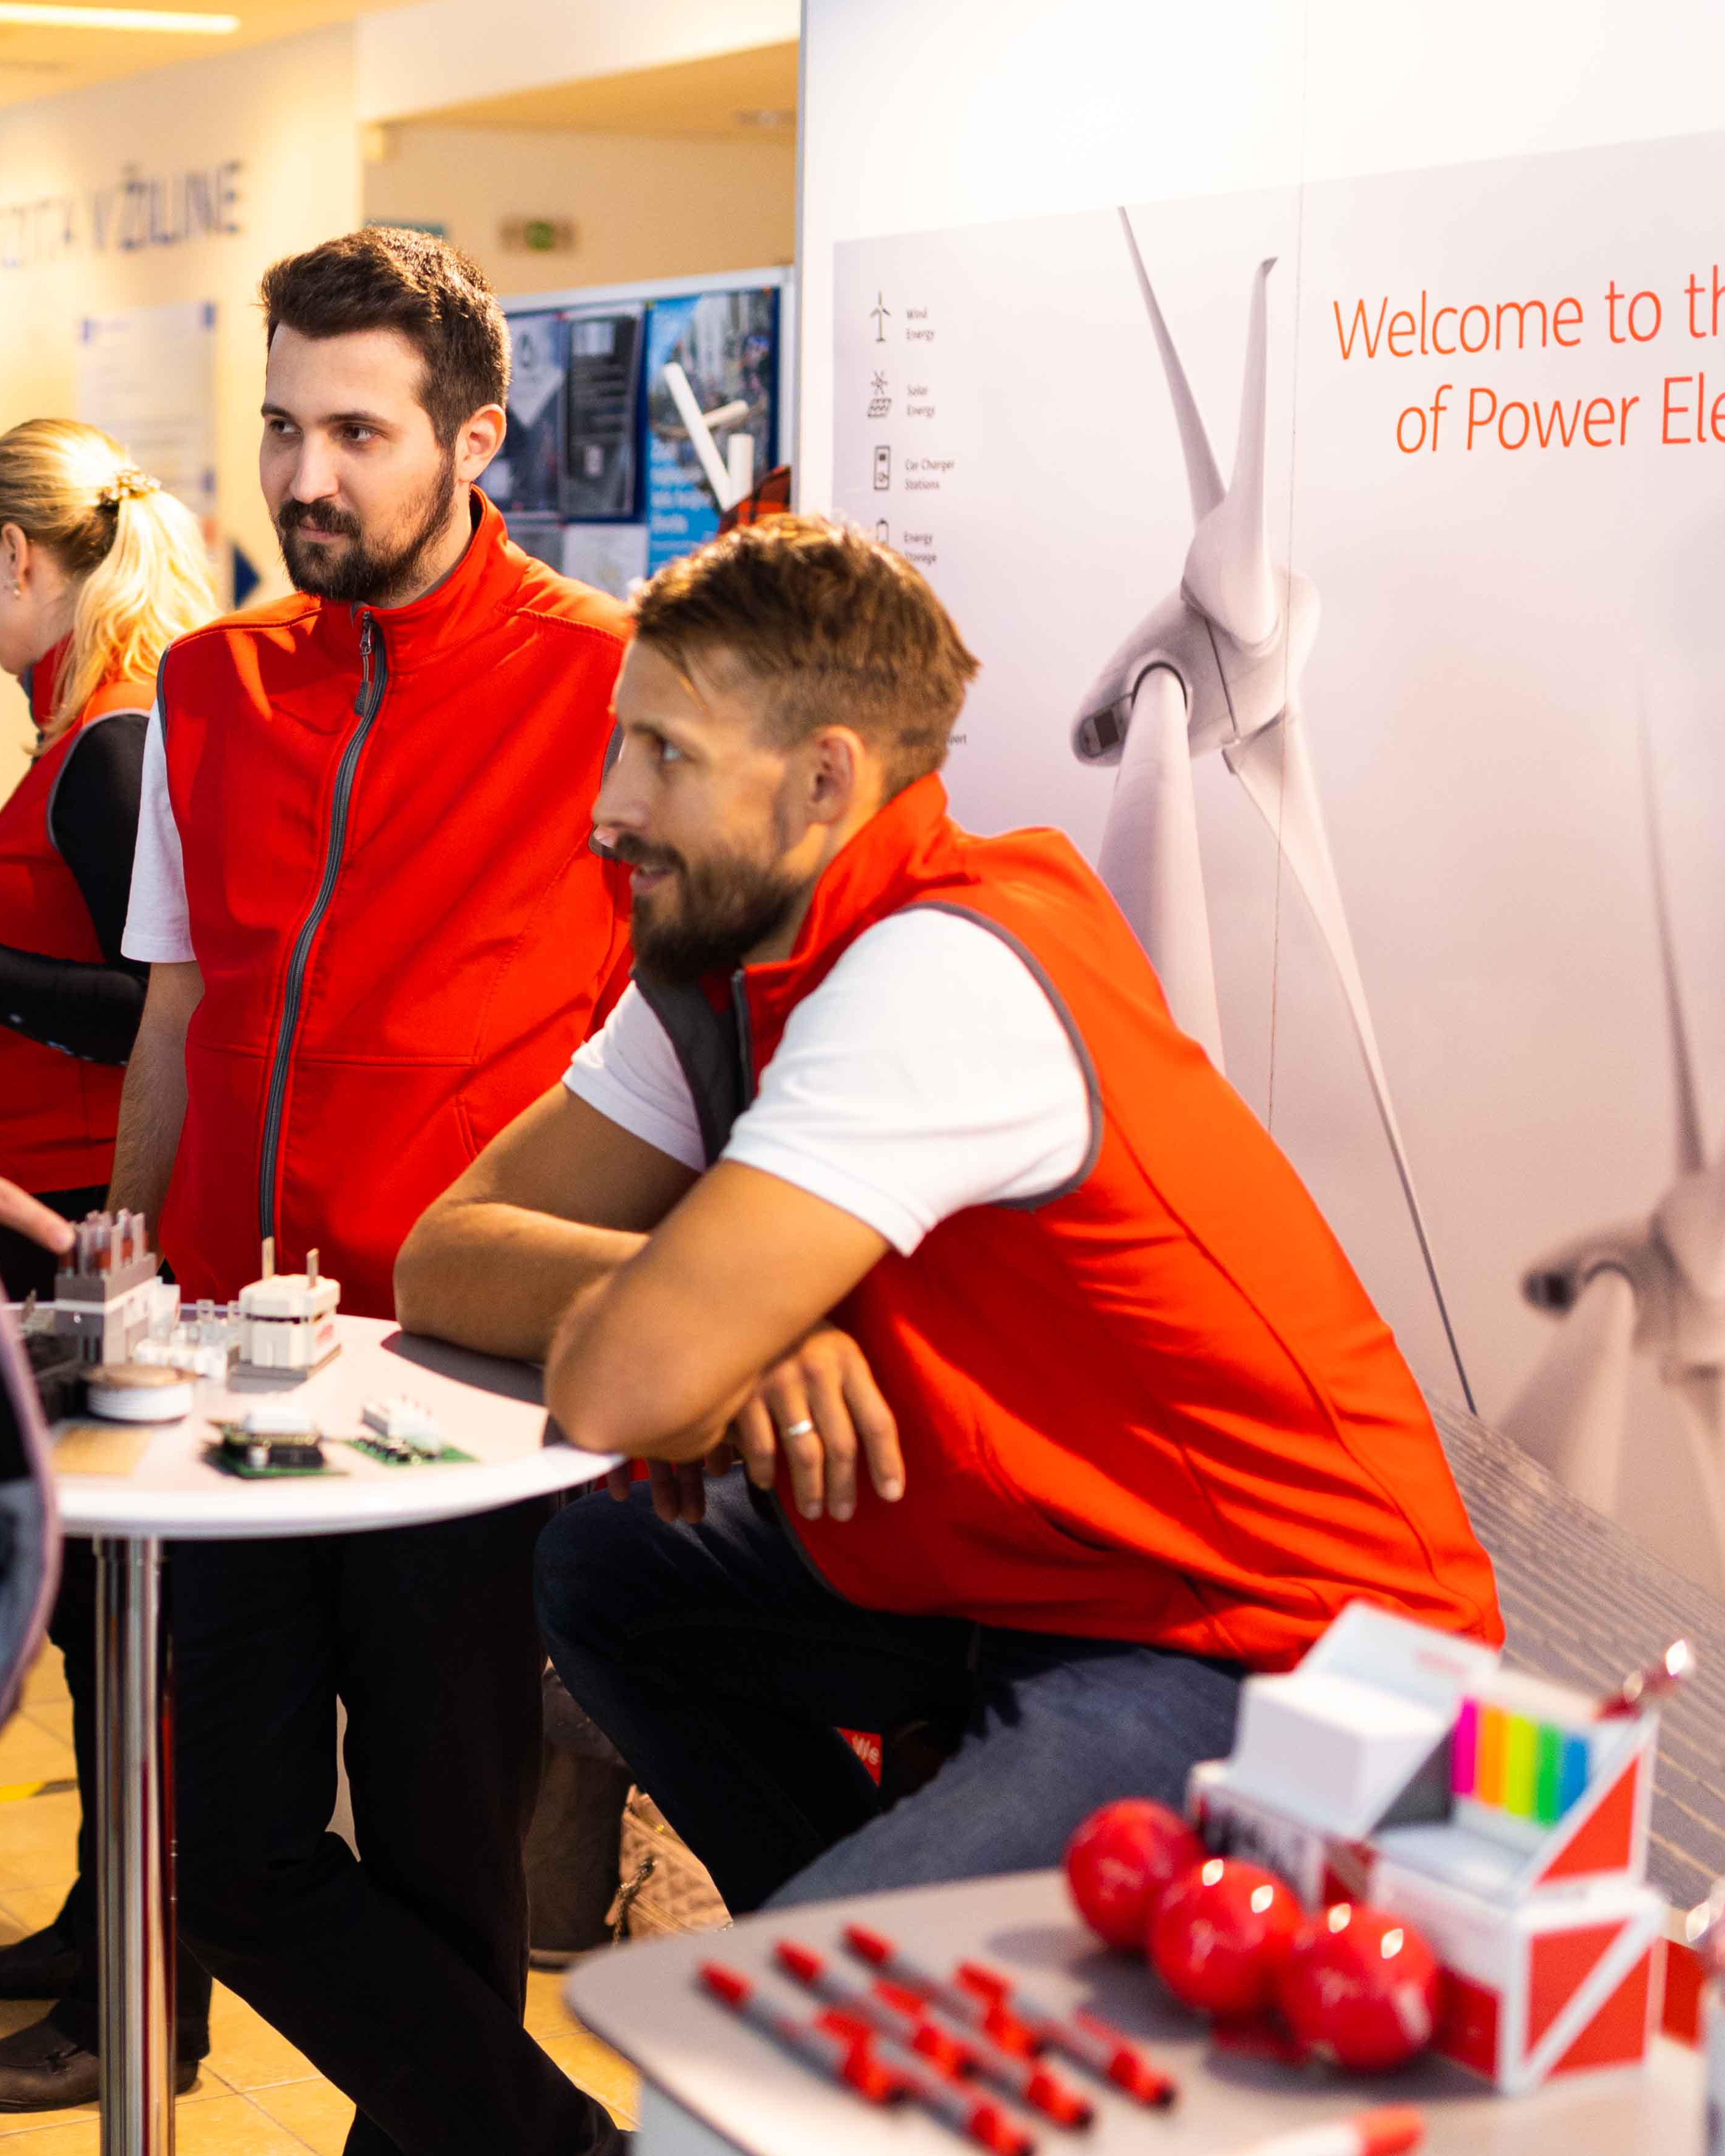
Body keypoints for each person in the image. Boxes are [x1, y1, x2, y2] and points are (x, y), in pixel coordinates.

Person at [394, 517, 1501, 1926]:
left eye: (664, 753)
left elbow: (625, 1380)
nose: (609, 806)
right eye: (621, 742)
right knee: (612, 1568)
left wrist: (714, 1335)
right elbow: (444, 1254)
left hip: (1262, 1636)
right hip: (1029, 1571)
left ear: (821, 778)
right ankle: (842, 1941)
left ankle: (844, 1972)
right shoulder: (731, 963)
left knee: (801, 2004)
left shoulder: (938, 968)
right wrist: (746, 1330)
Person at [113, 228, 636, 2156]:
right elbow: (178, 1007)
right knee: (232, 1857)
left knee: (441, 1879)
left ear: (473, 438)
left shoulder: (611, 681)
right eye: (279, 425)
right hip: (227, 1364)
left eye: (354, 429)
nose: (303, 474)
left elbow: (671, 1046)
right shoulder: (210, 687)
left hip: (460, 1387)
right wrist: (118, 1250)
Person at [0, 418, 222, 2113]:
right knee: (97, 1624)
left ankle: (133, 2004)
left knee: (120, 1631)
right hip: (59, 1227)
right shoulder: (95, 729)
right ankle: (104, 1930)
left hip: (95, 1236)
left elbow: (156, 1014)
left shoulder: (109, 748)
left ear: (20, 555)